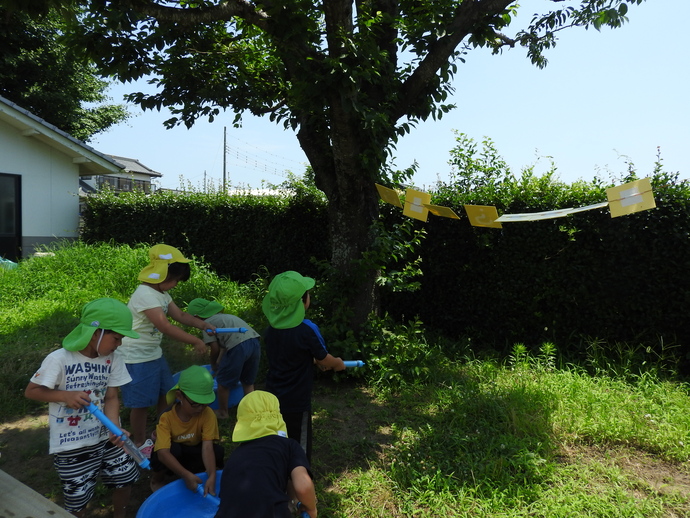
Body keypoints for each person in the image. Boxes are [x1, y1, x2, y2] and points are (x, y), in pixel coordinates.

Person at [24, 298, 140, 518]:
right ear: (96, 332)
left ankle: (121, 515)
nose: (119, 344)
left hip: (107, 437)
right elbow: (32, 391)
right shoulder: (59, 359)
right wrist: (63, 395)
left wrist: (115, 429)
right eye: (116, 338)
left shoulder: (113, 359)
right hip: (72, 444)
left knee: (124, 477)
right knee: (78, 496)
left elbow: (112, 396)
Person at [117, 244, 216, 450]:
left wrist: (202, 324)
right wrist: (195, 340)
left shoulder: (162, 294)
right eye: (175, 280)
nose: (176, 285)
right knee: (141, 404)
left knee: (167, 394)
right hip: (136, 357)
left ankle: (161, 429)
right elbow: (165, 325)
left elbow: (179, 316)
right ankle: (140, 441)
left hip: (153, 354)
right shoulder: (144, 294)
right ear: (162, 274)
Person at [261, 270, 345, 463]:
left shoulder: (270, 330)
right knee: (299, 445)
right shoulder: (307, 330)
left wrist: (312, 361)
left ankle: (278, 471)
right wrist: (337, 363)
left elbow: (289, 355)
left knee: (278, 437)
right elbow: (324, 359)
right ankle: (299, 482)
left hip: (272, 396)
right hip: (297, 400)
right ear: (303, 301)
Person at [215, 390, 317, 518]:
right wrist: (311, 508)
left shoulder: (236, 455)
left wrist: (293, 500)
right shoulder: (289, 446)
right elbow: (303, 486)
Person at [149, 365, 224, 494]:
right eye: (195, 403)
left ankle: (203, 475)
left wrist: (212, 476)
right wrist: (185, 474)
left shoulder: (208, 414)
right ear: (179, 396)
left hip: (194, 450)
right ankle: (157, 479)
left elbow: (207, 447)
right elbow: (163, 453)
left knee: (217, 451)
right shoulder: (166, 417)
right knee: (163, 452)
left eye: (205, 403)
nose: (200, 408)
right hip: (173, 454)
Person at [186, 297, 261, 419]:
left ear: (196, 317)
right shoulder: (223, 317)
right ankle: (252, 412)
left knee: (223, 384)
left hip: (238, 347)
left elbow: (215, 348)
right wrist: (220, 361)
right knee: (247, 382)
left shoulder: (207, 325)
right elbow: (224, 346)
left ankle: (223, 412)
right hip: (254, 342)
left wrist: (213, 364)